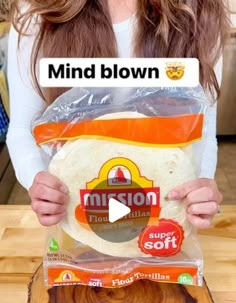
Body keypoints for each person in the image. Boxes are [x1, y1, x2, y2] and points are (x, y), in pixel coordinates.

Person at [7, 0, 229, 227]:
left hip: (163, 222)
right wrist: (37, 180)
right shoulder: (37, 10)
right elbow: (23, 128)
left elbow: (203, 126)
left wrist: (202, 184)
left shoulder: (200, 9)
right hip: (75, 219)